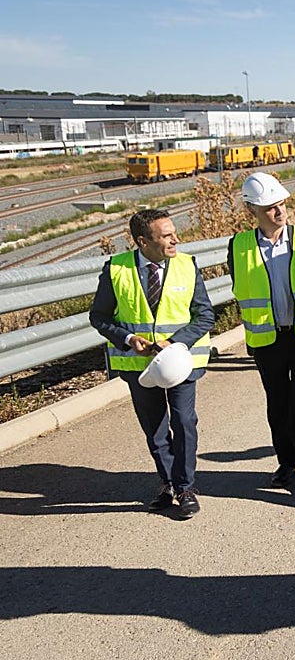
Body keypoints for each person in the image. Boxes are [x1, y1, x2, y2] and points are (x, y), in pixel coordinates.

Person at [89, 208, 214, 519]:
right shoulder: (116, 269)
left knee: (184, 423)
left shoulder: (187, 265)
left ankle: (186, 487)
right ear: (143, 241)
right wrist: (130, 340)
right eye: (167, 235)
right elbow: (99, 317)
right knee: (155, 430)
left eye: (174, 232)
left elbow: (205, 315)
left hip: (180, 363)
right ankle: (168, 482)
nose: (176, 239)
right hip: (139, 367)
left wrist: (176, 342)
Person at [229, 172, 295, 495]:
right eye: (270, 208)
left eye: (281, 205)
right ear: (252, 211)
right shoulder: (239, 246)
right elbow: (240, 287)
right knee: (278, 405)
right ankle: (286, 462)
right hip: (267, 341)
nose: (279, 212)